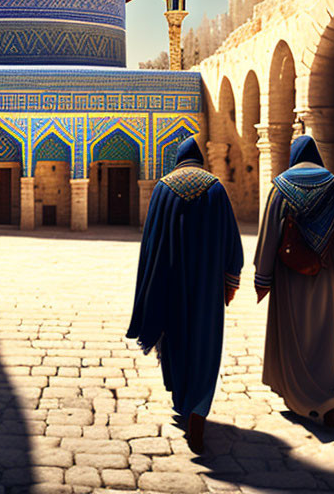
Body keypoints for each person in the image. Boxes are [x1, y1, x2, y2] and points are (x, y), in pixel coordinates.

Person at [127, 136, 243, 453]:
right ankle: (198, 408)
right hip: (207, 288)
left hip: (171, 283)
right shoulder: (215, 188)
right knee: (205, 344)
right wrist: (230, 280)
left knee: (176, 340)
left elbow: (150, 243)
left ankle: (182, 398)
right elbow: (233, 240)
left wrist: (148, 287)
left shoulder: (164, 188)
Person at [254, 135, 334, 427]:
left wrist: (263, 275)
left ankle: (302, 399)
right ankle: (331, 401)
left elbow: (269, 235)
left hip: (289, 280)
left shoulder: (280, 188)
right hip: (328, 276)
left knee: (295, 341)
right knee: (327, 340)